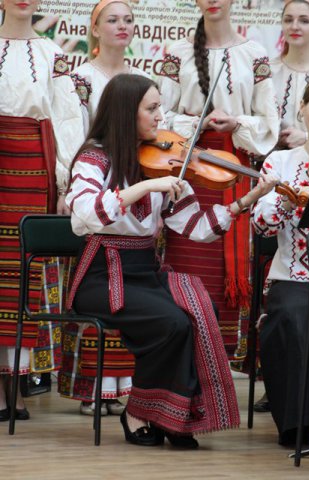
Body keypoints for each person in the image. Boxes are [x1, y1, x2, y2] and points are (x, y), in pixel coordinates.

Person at [66, 73, 278, 448]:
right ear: (124, 113)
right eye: (151, 108)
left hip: (145, 270)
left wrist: (245, 200)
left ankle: (173, 419)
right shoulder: (94, 157)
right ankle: (139, 411)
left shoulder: (164, 160)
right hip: (103, 274)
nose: (161, 116)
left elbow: (198, 227)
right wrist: (146, 187)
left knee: (199, 311)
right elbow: (83, 216)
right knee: (170, 322)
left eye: (160, 106)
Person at [158, 0, 279, 367]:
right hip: (188, 163)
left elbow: (267, 119)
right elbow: (161, 113)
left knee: (225, 265)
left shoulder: (254, 53)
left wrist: (237, 122)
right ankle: (183, 359)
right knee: (185, 259)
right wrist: (195, 123)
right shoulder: (177, 52)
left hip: (232, 166)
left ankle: (217, 366)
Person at [59, 0, 160, 417]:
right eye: (112, 19)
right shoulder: (78, 79)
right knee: (104, 285)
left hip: (137, 184)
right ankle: (93, 387)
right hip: (97, 185)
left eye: (129, 19)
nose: (122, 25)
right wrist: (74, 184)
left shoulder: (141, 81)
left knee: (139, 287)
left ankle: (130, 388)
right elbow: (71, 135)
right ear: (95, 28)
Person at [0, 0, 84, 421]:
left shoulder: (54, 55)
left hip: (33, 164)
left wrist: (66, 179)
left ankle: (14, 390)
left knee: (24, 275)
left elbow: (68, 118)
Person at [253, 0, 309, 414]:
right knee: (291, 318)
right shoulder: (281, 162)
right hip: (293, 275)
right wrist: (284, 194)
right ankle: (296, 421)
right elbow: (260, 226)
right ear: (302, 111)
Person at [272, 0, 309, 150]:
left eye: (304, 21)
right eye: (288, 20)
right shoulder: (267, 70)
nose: (294, 26)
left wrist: (305, 137)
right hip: (269, 164)